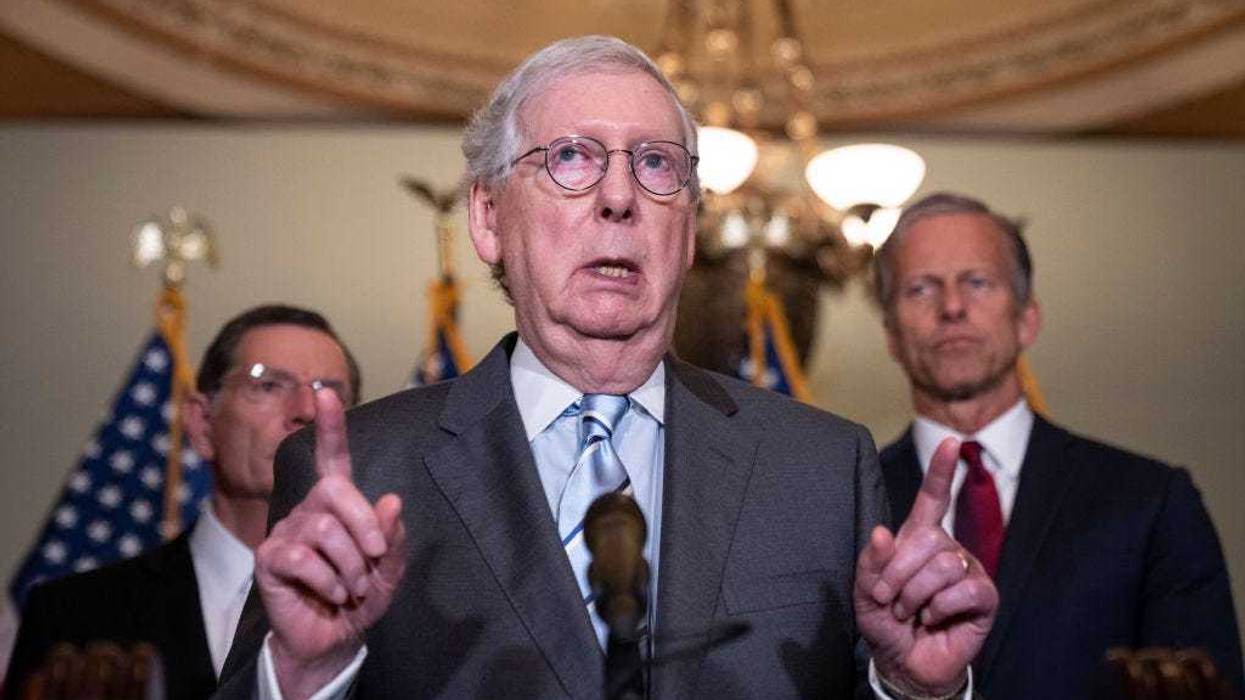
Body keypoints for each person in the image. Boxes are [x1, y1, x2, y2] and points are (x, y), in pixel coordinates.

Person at [215, 37, 997, 700]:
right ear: (487, 218)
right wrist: (303, 671)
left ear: (687, 232)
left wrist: (913, 689)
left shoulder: (820, 466)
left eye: (656, 165)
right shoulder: (357, 470)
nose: (619, 196)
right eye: (570, 158)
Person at [873, 192, 1243, 699]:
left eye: (977, 282)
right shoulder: (841, 506)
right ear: (891, 333)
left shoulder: (1152, 501)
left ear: (1028, 318)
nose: (953, 307)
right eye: (921, 288)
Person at [5, 305, 360, 700]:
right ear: (201, 423)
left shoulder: (399, 623)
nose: (307, 411)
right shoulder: (71, 618)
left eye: (329, 392)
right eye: (268, 385)